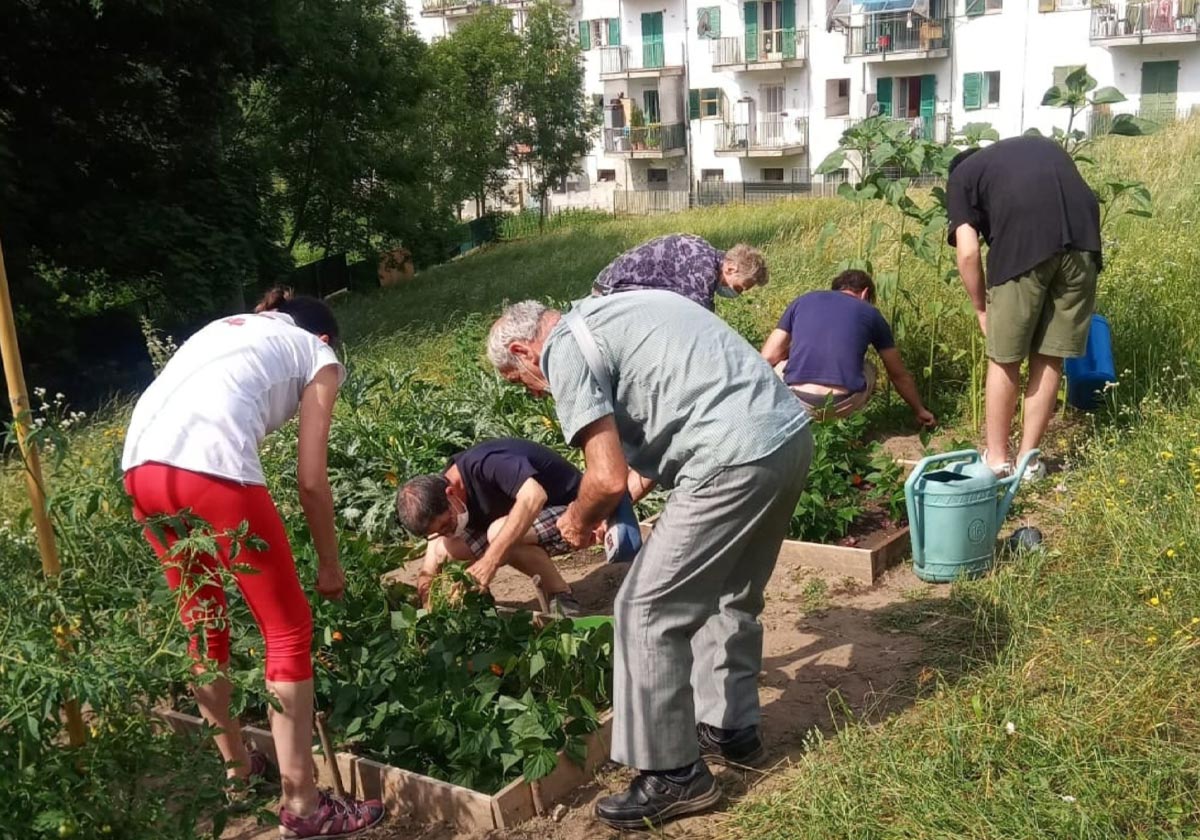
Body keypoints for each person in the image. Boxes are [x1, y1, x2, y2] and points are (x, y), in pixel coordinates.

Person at [487, 291, 813, 830]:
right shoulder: (616, 310)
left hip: (728, 457)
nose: (529, 390)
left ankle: (675, 775)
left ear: (524, 350)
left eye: (518, 380)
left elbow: (605, 475)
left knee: (643, 610)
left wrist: (576, 521)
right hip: (784, 436)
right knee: (731, 588)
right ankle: (730, 726)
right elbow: (668, 411)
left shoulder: (564, 349)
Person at [122, 289, 384, 838]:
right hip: (210, 468)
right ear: (326, 337)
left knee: (205, 624)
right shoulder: (318, 354)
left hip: (140, 467)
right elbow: (311, 480)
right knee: (288, 632)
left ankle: (238, 772)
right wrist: (330, 565)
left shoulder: (230, 328)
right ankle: (305, 807)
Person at [947, 135, 1101, 479]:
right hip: (1085, 242)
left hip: (1025, 243)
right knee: (1050, 356)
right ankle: (1029, 463)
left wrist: (981, 309)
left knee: (1005, 357)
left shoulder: (960, 176)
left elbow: (968, 251)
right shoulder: (1027, 150)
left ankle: (998, 462)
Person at [395, 438, 583, 616]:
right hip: (527, 519)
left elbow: (534, 497)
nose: (447, 532)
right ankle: (479, 603)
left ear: (450, 494)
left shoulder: (486, 464)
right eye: (438, 531)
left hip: (577, 510)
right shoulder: (442, 488)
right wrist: (428, 599)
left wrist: (489, 562)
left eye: (446, 524)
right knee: (447, 549)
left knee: (499, 534)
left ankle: (560, 595)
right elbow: (430, 566)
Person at [760, 269, 936, 426]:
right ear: (865, 293)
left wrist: (791, 353)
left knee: (781, 364)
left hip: (797, 402)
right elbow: (898, 374)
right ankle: (846, 426)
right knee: (869, 368)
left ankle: (779, 420)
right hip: (842, 403)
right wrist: (920, 410)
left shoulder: (802, 301)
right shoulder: (871, 313)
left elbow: (767, 357)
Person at [590, 233, 768, 311]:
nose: (738, 293)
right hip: (612, 291)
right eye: (740, 287)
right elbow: (700, 322)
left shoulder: (705, 252)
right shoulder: (702, 271)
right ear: (730, 268)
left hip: (612, 283)